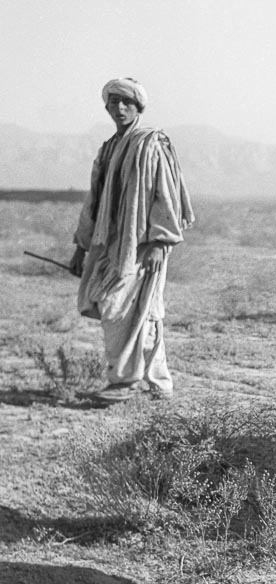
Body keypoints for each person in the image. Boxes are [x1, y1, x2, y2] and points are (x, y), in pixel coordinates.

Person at [69, 78, 194, 404]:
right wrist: (82, 247)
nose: (120, 108)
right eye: (114, 102)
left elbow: (166, 196)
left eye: (127, 102)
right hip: (110, 244)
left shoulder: (151, 144)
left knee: (119, 307)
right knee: (142, 311)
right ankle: (160, 384)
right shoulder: (108, 148)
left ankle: (123, 383)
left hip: (144, 246)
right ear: (107, 107)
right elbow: (94, 200)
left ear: (138, 107)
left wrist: (159, 244)